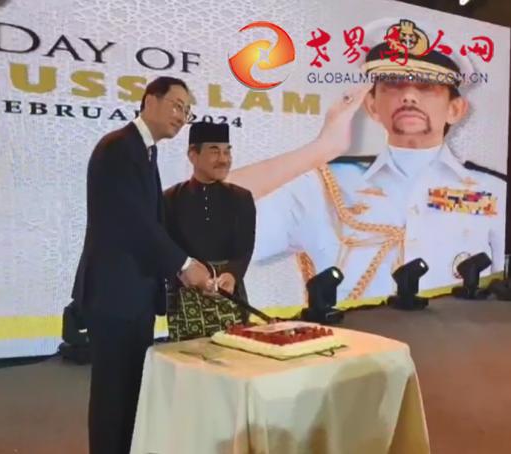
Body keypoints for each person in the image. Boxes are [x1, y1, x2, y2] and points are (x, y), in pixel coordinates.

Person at [227, 18, 506, 302]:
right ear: (372, 105)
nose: (409, 96)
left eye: (426, 86)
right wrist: (321, 149)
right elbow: (215, 223)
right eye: (394, 84)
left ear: (455, 109)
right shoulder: (323, 185)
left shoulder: (494, 191)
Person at [70, 76, 212, 454]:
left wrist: (184, 264)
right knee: (113, 395)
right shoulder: (119, 148)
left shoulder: (145, 151)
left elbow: (151, 224)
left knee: (131, 389)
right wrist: (184, 264)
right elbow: (134, 222)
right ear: (150, 100)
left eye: (187, 111)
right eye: (177, 105)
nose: (182, 117)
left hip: (134, 294)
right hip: (114, 295)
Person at [163, 122, 256, 340]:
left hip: (229, 294)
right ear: (193, 155)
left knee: (235, 354)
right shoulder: (170, 199)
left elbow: (245, 248)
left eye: (227, 151)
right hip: (186, 299)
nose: (223, 159)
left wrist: (231, 275)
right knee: (187, 358)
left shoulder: (242, 198)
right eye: (214, 151)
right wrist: (185, 273)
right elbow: (165, 249)